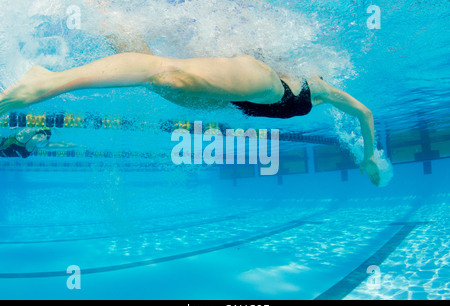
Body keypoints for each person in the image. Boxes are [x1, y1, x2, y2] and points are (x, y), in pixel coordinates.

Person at [0, 6, 381, 185]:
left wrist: (368, 160)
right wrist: (369, 158)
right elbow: (365, 113)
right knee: (170, 75)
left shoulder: (321, 91)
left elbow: (362, 115)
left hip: (239, 98)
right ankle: (47, 81)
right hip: (265, 85)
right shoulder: (318, 85)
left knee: (160, 79)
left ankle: (108, 19)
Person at [0, 128, 77, 158]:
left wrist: (82, 146)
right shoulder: (25, 135)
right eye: (41, 137)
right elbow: (9, 138)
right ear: (37, 133)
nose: (42, 140)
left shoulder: (41, 146)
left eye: (46, 139)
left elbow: (64, 145)